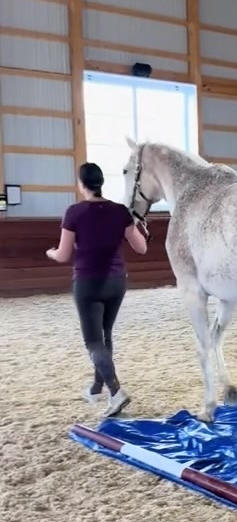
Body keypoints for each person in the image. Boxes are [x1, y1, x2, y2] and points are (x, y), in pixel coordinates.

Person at [45, 161, 149, 415]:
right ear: (101, 183)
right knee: (106, 334)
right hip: (116, 282)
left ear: (81, 184)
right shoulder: (120, 211)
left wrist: (50, 252)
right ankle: (96, 387)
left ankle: (116, 391)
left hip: (88, 283)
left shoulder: (74, 212)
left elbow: (63, 254)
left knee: (93, 341)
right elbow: (141, 248)